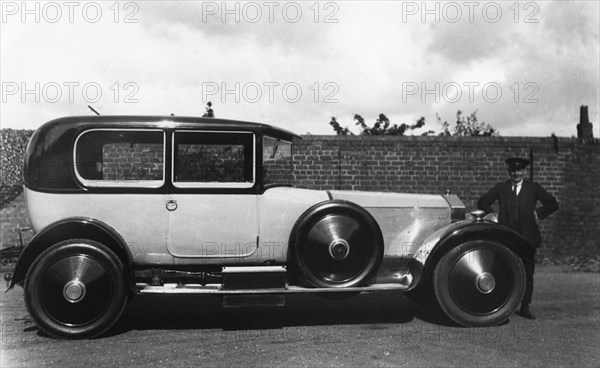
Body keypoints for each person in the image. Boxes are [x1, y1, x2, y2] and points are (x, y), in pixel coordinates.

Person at [477, 157, 559, 320]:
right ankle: (499, 306)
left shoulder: (533, 188)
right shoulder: (502, 188)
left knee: (528, 272)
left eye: (519, 170)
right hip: (506, 237)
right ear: (509, 172)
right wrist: (493, 213)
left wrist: (539, 213)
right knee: (502, 270)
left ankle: (525, 306)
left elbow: (552, 203)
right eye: (513, 171)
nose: (516, 173)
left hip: (528, 238)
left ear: (524, 171)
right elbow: (483, 201)